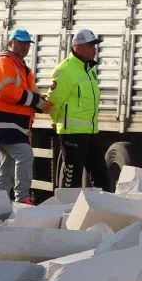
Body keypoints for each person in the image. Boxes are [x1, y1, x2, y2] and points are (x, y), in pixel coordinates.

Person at [0, 29, 51, 205]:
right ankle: (22, 198)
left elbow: (30, 93)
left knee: (7, 166)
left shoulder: (23, 68)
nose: (25, 47)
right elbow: (7, 91)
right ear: (10, 43)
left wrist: (43, 102)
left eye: (27, 43)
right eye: (21, 43)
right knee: (24, 155)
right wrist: (36, 101)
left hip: (13, 125)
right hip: (3, 123)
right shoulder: (3, 62)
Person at [46, 29, 102, 188]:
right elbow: (53, 102)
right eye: (91, 45)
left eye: (95, 45)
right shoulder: (64, 70)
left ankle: (102, 209)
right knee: (72, 178)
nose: (95, 49)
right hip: (72, 133)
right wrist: (57, 122)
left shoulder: (89, 69)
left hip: (90, 132)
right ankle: (66, 210)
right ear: (78, 47)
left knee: (100, 173)